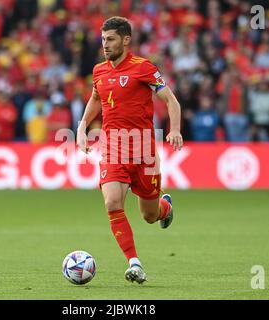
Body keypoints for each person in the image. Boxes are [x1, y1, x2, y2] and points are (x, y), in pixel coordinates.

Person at [76, 17, 183, 284]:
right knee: (112, 202)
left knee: (149, 215)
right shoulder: (99, 71)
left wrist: (175, 129)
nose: (105, 45)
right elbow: (96, 98)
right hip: (112, 148)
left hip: (144, 151)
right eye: (103, 40)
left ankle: (164, 208)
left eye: (110, 39)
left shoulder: (143, 68)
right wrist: (81, 126)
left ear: (126, 40)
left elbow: (170, 100)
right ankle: (134, 263)